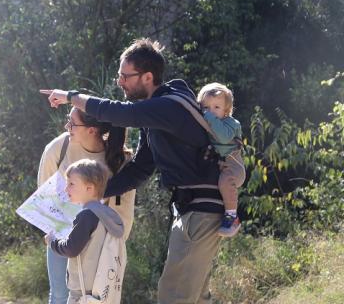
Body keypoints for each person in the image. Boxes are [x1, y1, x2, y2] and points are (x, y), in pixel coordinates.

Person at [41, 38, 229, 304]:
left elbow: (120, 113)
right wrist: (94, 193)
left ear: (147, 77)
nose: (120, 82)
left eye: (124, 76)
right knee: (195, 296)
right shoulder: (156, 119)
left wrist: (71, 97)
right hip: (191, 208)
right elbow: (140, 170)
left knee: (174, 295)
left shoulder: (169, 106)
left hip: (200, 209)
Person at [38, 107, 135, 304]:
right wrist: (51, 232)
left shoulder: (119, 158)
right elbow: (43, 191)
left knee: (94, 298)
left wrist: (116, 245)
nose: (67, 126)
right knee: (59, 295)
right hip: (61, 232)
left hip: (98, 245)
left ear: (92, 129)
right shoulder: (58, 148)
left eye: (72, 123)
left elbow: (124, 209)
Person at [45, 159, 125, 304]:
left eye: (71, 184)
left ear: (89, 188)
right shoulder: (108, 214)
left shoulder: (86, 215)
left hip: (82, 293)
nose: (66, 189)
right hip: (102, 289)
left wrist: (52, 242)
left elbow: (71, 249)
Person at [197, 82, 245, 237]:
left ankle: (232, 217)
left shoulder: (231, 123)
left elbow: (224, 138)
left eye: (216, 107)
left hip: (233, 167)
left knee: (225, 182)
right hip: (219, 164)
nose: (210, 111)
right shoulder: (209, 122)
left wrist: (209, 117)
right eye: (206, 108)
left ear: (227, 110)